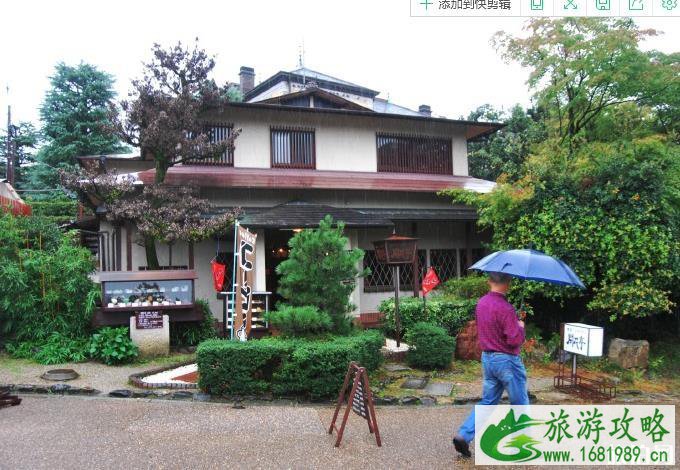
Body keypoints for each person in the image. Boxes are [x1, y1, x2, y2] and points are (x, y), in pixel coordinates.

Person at [452, 271, 528, 458]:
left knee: (488, 401)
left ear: (489, 281)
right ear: (508, 283)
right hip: (507, 361)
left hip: (488, 359)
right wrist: (520, 327)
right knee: (520, 402)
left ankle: (464, 434)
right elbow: (514, 339)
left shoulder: (482, 303)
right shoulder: (506, 308)